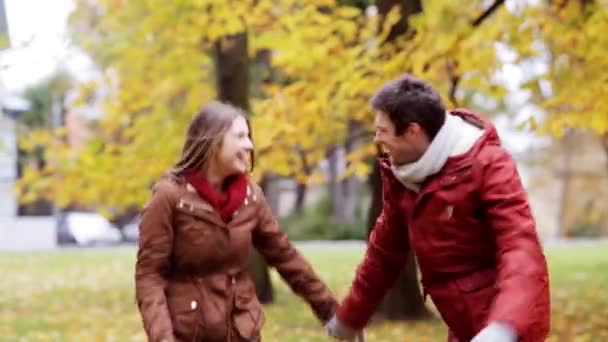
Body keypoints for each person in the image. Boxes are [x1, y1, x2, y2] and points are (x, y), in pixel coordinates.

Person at [325, 74, 550, 342]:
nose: (377, 139)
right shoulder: (406, 177)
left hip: (504, 327)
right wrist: (350, 317)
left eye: (383, 131)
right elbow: (383, 254)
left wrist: (503, 327)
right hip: (462, 324)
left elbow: (519, 247)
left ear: (412, 131)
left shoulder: (488, 165)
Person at [135, 101, 338, 342]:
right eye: (240, 136)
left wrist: (332, 312)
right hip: (188, 334)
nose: (249, 145)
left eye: (248, 136)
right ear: (213, 141)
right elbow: (149, 276)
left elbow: (286, 257)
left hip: (242, 333)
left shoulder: (251, 197)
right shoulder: (169, 197)